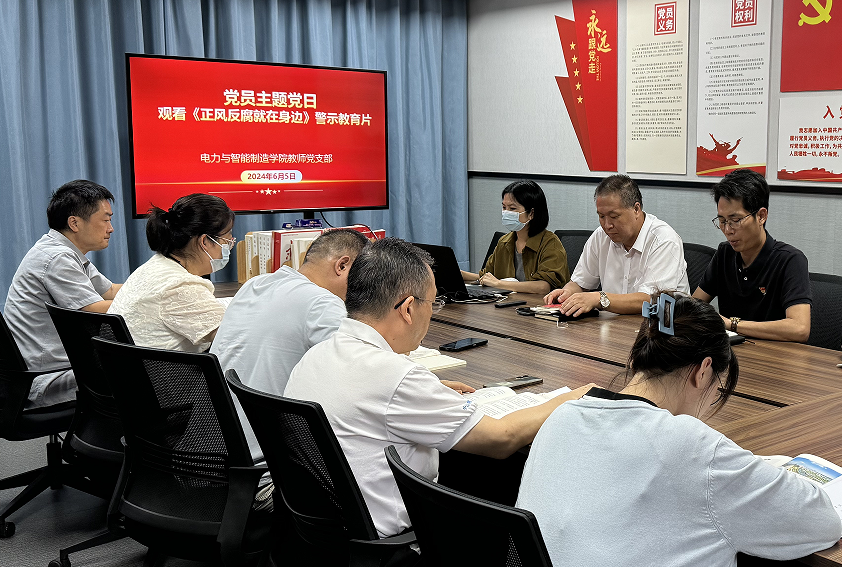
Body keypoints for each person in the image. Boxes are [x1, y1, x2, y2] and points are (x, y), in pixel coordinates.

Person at [284, 238, 594, 537]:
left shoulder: (316, 356)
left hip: (328, 534)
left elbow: (370, 398)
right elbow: (502, 438)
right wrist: (570, 398)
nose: (433, 312)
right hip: (401, 542)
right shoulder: (395, 377)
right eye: (434, 303)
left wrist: (425, 392)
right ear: (408, 308)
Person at [516, 293, 841, 567]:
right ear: (704, 371)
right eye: (717, 388)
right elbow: (821, 522)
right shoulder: (696, 449)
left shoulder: (561, 418)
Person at [211, 228, 369, 468]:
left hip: (211, 451)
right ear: (342, 266)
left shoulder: (255, 284)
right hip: (266, 469)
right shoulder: (322, 303)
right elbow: (366, 373)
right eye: (363, 280)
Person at [4, 179, 122, 407]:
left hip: (58, 369)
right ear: (74, 223)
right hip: (48, 379)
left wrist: (155, 288)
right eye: (106, 219)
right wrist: (153, 303)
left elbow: (109, 291)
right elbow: (94, 310)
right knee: (148, 377)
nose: (111, 228)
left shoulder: (65, 251)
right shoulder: (57, 257)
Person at [543, 174, 689, 316]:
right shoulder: (600, 236)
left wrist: (599, 298)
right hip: (613, 325)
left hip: (662, 328)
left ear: (636, 209)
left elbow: (651, 301)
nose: (607, 225)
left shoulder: (664, 240)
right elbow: (580, 283)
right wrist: (567, 293)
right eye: (601, 216)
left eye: (614, 216)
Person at [693, 169, 811, 342]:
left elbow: (799, 329)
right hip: (729, 352)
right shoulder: (725, 253)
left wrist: (731, 324)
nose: (728, 230)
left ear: (761, 216)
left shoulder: (790, 260)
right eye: (722, 221)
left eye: (735, 220)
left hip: (773, 355)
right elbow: (695, 305)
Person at [108, 193, 234, 352]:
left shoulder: (156, 266)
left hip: (132, 365)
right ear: (205, 242)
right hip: (160, 368)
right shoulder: (180, 285)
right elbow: (231, 335)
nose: (230, 246)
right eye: (227, 241)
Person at [461, 180, 569, 294]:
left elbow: (543, 287)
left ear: (531, 213)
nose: (506, 213)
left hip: (538, 304)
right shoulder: (504, 242)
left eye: (512, 209)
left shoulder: (550, 243)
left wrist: (499, 284)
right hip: (509, 302)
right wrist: (459, 274)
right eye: (504, 207)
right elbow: (486, 277)